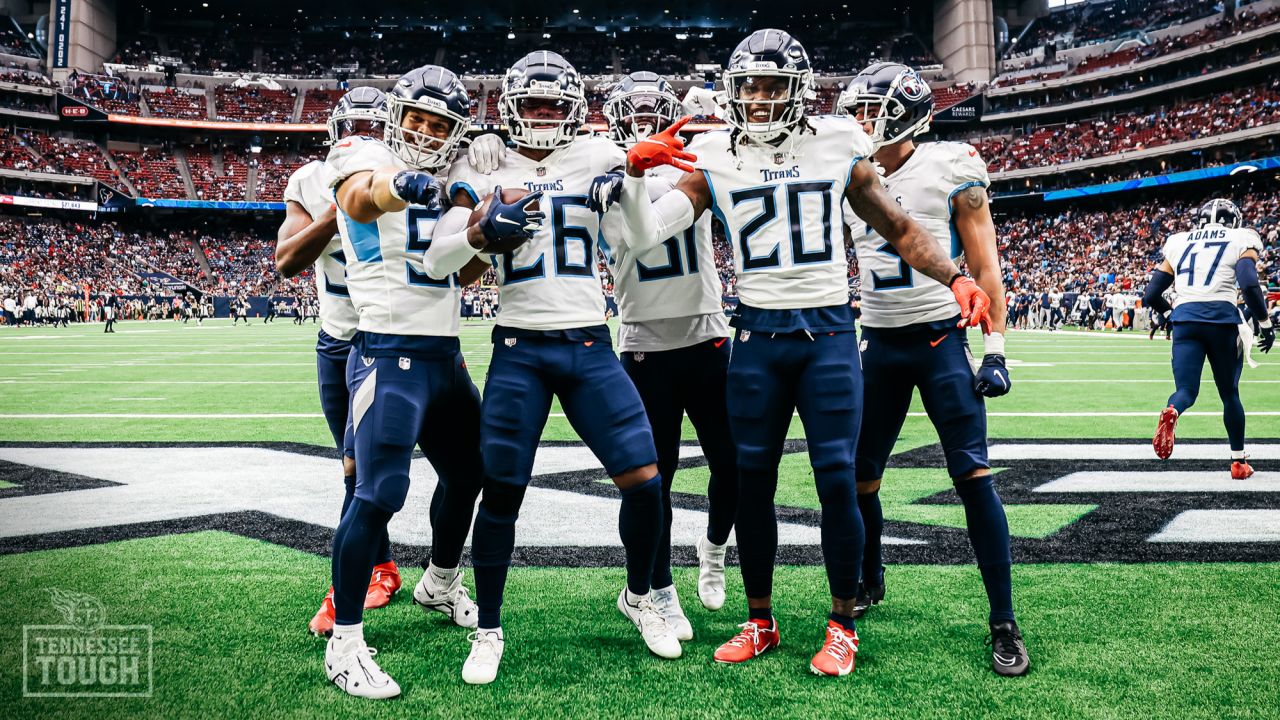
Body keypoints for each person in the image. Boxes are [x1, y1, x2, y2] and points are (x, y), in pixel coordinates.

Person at [613, 30, 989, 677]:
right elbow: (650, 238)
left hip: (828, 339)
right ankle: (760, 619)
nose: (759, 99)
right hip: (757, 337)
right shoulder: (714, 154)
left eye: (771, 86)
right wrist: (632, 172)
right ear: (733, 93)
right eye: (749, 87)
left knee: (837, 481)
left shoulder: (838, 141)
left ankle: (842, 624)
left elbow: (898, 228)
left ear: (798, 90)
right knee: (752, 485)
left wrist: (954, 277)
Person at [435, 50, 673, 685]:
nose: (543, 116)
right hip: (520, 348)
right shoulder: (484, 162)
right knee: (502, 493)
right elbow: (444, 266)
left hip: (590, 343)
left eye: (555, 105)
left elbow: (642, 242)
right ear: (512, 106)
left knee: (646, 481)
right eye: (532, 103)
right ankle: (488, 627)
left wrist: (635, 178)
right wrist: (481, 233)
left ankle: (639, 596)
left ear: (574, 110)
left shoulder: (598, 154)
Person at [322, 63, 538, 700]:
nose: (423, 130)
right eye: (416, 117)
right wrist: (404, 186)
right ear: (396, 115)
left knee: (473, 473)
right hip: (387, 352)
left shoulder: (455, 179)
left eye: (438, 123)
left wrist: (484, 234)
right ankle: (346, 643)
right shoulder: (368, 153)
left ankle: (439, 583)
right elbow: (362, 196)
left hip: (445, 356)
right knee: (378, 493)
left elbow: (461, 276)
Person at [836, 62, 1027, 676]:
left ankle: (1003, 619)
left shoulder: (950, 167)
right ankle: (869, 578)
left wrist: (995, 348)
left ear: (903, 112)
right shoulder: (848, 171)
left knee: (973, 475)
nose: (860, 122)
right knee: (860, 475)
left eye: (871, 110)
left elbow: (985, 263)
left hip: (941, 339)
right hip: (879, 342)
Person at [588, 70, 739, 630]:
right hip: (645, 341)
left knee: (733, 465)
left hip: (706, 334)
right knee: (658, 477)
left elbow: (740, 157)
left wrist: (716, 124)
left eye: (658, 112)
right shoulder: (599, 171)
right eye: (636, 113)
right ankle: (660, 585)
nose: (647, 122)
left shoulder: (696, 164)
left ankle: (715, 550)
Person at [276, 86, 397, 637]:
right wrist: (340, 208)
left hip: (398, 337)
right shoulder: (307, 179)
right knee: (356, 468)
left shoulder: (403, 171)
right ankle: (378, 569)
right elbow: (286, 260)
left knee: (454, 466)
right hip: (340, 339)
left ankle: (440, 574)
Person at [1144, 198, 1274, 478]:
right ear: (1234, 221)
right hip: (1221, 319)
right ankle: (1239, 463)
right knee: (1229, 394)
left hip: (1185, 319)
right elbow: (1249, 282)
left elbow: (1151, 294)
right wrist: (1264, 321)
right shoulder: (1242, 237)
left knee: (1186, 392)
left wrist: (1169, 316)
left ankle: (1173, 410)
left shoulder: (1180, 241)